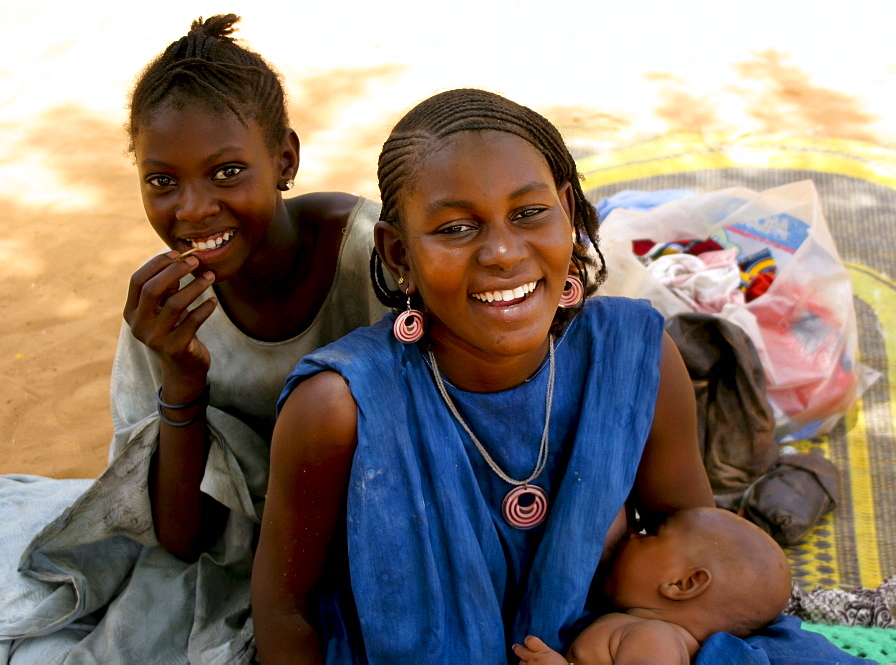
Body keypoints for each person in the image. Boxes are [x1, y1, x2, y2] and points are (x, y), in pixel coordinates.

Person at [251, 87, 716, 664]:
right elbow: (284, 612)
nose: (501, 251)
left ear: (567, 215)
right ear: (399, 257)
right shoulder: (339, 409)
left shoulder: (634, 364)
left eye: (528, 214)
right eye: (455, 228)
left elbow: (703, 568)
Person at [0, 15, 384, 663]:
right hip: (250, 558)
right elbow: (181, 538)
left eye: (227, 171)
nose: (192, 209)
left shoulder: (370, 261)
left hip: (373, 538)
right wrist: (180, 376)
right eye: (161, 181)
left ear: (285, 158)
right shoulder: (164, 312)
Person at [511, 507, 793, 665]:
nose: (632, 534)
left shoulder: (654, 637)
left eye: (651, 534)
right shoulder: (644, 631)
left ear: (682, 584)